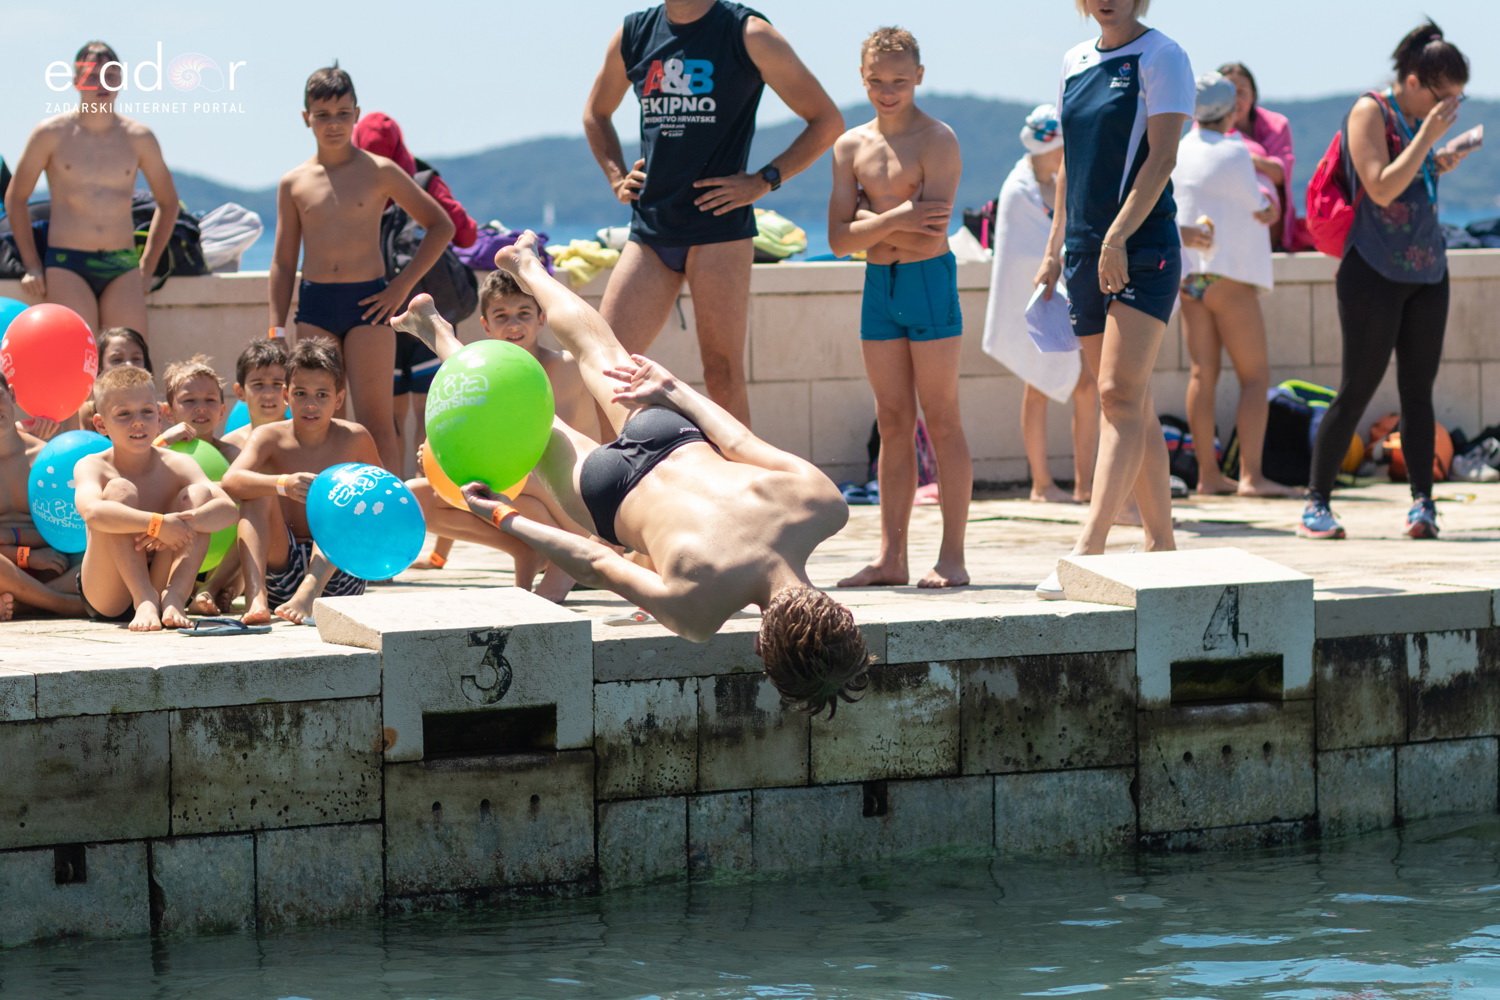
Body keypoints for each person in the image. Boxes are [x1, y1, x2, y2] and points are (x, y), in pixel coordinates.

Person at [395, 231, 872, 717]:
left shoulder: (822, 505)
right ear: (762, 649)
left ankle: (527, 265)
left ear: (838, 609)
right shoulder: (699, 611)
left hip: (671, 436)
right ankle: (435, 331)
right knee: (518, 413)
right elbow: (594, 564)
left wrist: (675, 391)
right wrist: (502, 516)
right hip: (610, 493)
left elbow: (739, 442)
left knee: (596, 346)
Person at [584, 0, 844, 426]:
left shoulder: (748, 32)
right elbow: (596, 113)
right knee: (606, 368)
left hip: (719, 231)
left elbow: (827, 121)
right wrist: (616, 176)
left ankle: (740, 487)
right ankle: (622, 484)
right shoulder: (634, 33)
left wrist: (764, 180)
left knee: (721, 375)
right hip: (651, 230)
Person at [1033, 0, 1193, 600]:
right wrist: (1055, 250)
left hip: (1140, 244)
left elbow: (1163, 157)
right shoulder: (1074, 61)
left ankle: (1087, 551)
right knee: (1133, 401)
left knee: (1115, 395)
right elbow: (1071, 166)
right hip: (1081, 249)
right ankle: (1162, 546)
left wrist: (1118, 235)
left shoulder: (1163, 55)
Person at [1300, 22, 1470, 541]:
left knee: (1418, 391)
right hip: (1372, 270)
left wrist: (1440, 158)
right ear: (1415, 82)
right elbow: (1378, 185)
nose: (1447, 112)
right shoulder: (1369, 110)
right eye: (1444, 100)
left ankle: (1423, 504)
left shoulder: (1421, 124)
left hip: (1427, 270)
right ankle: (1317, 503)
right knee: (1357, 389)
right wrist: (1428, 138)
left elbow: (1411, 179)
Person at [826, 27, 969, 589]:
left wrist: (869, 225)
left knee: (942, 419)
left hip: (928, 281)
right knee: (891, 422)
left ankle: (952, 557)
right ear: (863, 79)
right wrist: (895, 219)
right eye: (878, 82)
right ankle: (892, 558)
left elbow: (931, 238)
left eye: (900, 81)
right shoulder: (850, 146)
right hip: (877, 288)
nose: (889, 91)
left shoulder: (938, 140)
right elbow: (838, 241)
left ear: (919, 78)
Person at [270, 65, 454, 474]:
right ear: (306, 118)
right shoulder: (294, 183)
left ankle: (387, 516)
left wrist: (399, 289)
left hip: (370, 303)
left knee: (375, 424)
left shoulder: (379, 171)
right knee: (316, 422)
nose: (333, 124)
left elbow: (441, 225)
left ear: (356, 113)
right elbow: (283, 262)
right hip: (316, 305)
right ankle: (329, 509)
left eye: (342, 113)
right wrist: (276, 329)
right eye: (322, 114)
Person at [410, 269, 600, 597]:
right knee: (412, 497)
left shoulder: (566, 369)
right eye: (502, 315)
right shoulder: (484, 378)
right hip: (532, 508)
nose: (514, 325)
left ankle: (552, 582)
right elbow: (461, 469)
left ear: (541, 319)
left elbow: (559, 461)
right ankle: (526, 551)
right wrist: (436, 461)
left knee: (533, 473)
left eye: (524, 314)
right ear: (485, 325)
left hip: (584, 525)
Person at [4, 41, 178, 343]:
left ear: (121, 80)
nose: (102, 83)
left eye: (110, 75)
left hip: (122, 264)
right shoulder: (51, 133)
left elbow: (168, 202)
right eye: (92, 75)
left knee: (128, 366)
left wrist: (148, 266)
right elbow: (16, 198)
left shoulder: (139, 138)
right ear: (75, 81)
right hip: (67, 264)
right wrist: (32, 264)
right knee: (78, 356)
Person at [1173, 73, 1296, 498]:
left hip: (1189, 276)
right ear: (1229, 113)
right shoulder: (1234, 150)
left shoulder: (1178, 148)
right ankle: (1251, 476)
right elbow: (1257, 203)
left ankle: (1208, 474)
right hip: (1229, 274)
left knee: (1201, 375)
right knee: (1254, 377)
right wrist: (1266, 206)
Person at [982, 103, 1099, 505]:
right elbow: (1018, 256)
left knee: (1087, 385)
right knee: (1037, 385)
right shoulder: (1019, 190)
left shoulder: (1066, 180)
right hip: (1039, 297)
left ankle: (1086, 484)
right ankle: (1041, 484)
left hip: (1074, 293)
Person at [351, 110, 478, 476]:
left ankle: (395, 493)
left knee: (388, 420)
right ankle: (427, 494)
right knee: (428, 414)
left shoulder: (356, 182)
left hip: (379, 312)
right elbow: (465, 234)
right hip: (427, 311)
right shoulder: (421, 180)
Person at [222, 339, 382, 625]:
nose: (310, 404)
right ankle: (256, 597)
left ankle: (310, 590)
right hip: (280, 569)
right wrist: (282, 483)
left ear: (339, 399)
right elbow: (231, 481)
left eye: (322, 395)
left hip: (340, 573)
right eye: (300, 393)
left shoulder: (355, 438)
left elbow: (383, 498)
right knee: (257, 492)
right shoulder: (269, 436)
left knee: (344, 494)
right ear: (286, 395)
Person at [73, 366, 238, 631]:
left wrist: (185, 521)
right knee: (119, 491)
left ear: (159, 418)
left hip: (160, 577)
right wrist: (157, 524)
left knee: (198, 497)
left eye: (146, 412)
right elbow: (92, 512)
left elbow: (229, 510)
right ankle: (144, 599)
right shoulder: (92, 465)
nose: (138, 421)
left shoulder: (178, 464)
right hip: (107, 592)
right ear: (101, 424)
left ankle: (175, 596)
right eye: (124, 414)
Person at [0, 372, 85, 621]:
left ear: (12, 395)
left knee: (98, 555)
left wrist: (10, 536)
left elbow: (71, 526)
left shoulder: (46, 459)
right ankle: (59, 604)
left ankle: (26, 604)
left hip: (54, 563)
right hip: (7, 565)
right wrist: (27, 556)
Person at [1219, 62, 1299, 252]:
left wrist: (1247, 159)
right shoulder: (1208, 125)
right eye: (1228, 92)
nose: (1235, 99)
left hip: (1272, 227)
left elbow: (1281, 174)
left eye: (1241, 92)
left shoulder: (1277, 124)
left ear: (1253, 95)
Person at [222, 338, 292, 451]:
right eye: (258, 384)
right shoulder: (229, 446)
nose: (268, 394)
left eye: (277, 384)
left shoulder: (303, 440)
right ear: (240, 392)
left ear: (288, 392)